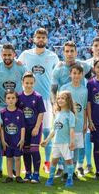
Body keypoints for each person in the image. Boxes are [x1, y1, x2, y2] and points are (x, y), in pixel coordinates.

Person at [18, 28, 59, 174]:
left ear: (46, 39)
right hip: (28, 100)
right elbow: (17, 68)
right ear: (33, 39)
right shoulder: (25, 54)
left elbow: (57, 78)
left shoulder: (53, 56)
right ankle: (27, 165)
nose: (40, 39)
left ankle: (47, 162)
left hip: (46, 99)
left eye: (43, 37)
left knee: (47, 131)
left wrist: (55, 101)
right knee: (27, 131)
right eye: (38, 37)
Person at [0, 43, 26, 177]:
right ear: (1, 55)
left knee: (15, 136)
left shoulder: (21, 67)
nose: (7, 57)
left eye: (9, 55)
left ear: (14, 55)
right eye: (4, 55)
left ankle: (16, 169)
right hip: (0, 106)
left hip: (16, 106)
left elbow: (29, 78)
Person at [42, 91, 76, 187]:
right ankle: (50, 179)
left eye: (63, 98)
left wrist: (72, 142)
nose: (60, 100)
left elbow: (72, 130)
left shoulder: (70, 115)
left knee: (68, 161)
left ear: (68, 100)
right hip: (56, 143)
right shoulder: (57, 113)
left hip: (66, 143)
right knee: (54, 161)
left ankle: (69, 179)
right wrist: (47, 140)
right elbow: (54, 130)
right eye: (59, 98)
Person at [17, 72, 46, 183]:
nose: (28, 85)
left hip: (34, 128)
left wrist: (37, 127)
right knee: (26, 151)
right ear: (22, 83)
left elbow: (41, 113)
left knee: (34, 150)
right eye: (26, 83)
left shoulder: (38, 97)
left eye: (31, 83)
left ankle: (36, 174)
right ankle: (28, 173)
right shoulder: (19, 97)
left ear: (34, 83)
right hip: (24, 129)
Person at [60, 64, 88, 179]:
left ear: (82, 75)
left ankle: (73, 171)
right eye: (74, 73)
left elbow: (85, 108)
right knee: (66, 147)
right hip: (66, 124)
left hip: (79, 124)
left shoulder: (84, 90)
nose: (76, 75)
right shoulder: (64, 88)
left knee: (76, 147)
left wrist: (85, 123)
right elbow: (60, 106)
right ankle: (66, 171)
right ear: (70, 74)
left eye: (78, 73)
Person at [0, 89, 25, 183]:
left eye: (13, 98)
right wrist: (2, 140)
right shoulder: (2, 113)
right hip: (7, 140)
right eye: (8, 98)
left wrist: (22, 139)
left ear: (16, 99)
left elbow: (22, 126)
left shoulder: (20, 112)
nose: (11, 100)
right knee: (9, 158)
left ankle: (18, 176)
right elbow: (1, 128)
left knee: (18, 158)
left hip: (18, 140)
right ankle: (9, 176)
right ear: (5, 100)